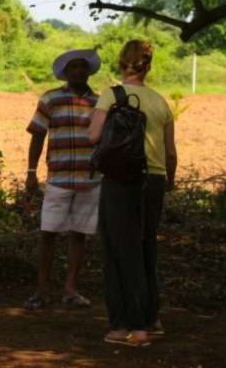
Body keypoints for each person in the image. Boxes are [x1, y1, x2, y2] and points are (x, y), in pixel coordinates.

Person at [88, 39, 177, 347]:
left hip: (121, 181)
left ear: (121, 63)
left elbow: (94, 136)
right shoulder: (161, 102)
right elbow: (171, 154)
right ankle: (152, 320)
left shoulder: (112, 95)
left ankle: (127, 327)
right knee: (145, 248)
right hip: (154, 181)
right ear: (148, 66)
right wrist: (169, 182)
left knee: (118, 251)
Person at [24, 49, 101, 310]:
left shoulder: (100, 104)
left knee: (79, 234)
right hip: (57, 178)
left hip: (89, 180)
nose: (79, 71)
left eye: (83, 67)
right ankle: (41, 289)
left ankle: (70, 289)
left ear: (89, 71)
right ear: (66, 73)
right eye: (73, 67)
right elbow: (37, 136)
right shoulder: (51, 99)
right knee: (48, 233)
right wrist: (31, 173)